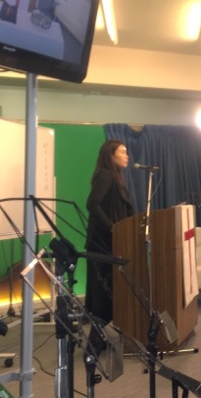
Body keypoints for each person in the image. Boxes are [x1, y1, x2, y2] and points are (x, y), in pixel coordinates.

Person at [85, 139, 134, 330]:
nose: (127, 156)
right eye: (122, 152)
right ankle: (98, 337)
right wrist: (112, 227)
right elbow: (92, 203)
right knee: (102, 293)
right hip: (102, 243)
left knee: (107, 292)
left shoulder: (117, 177)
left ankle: (105, 334)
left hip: (110, 243)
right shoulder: (106, 175)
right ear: (111, 156)